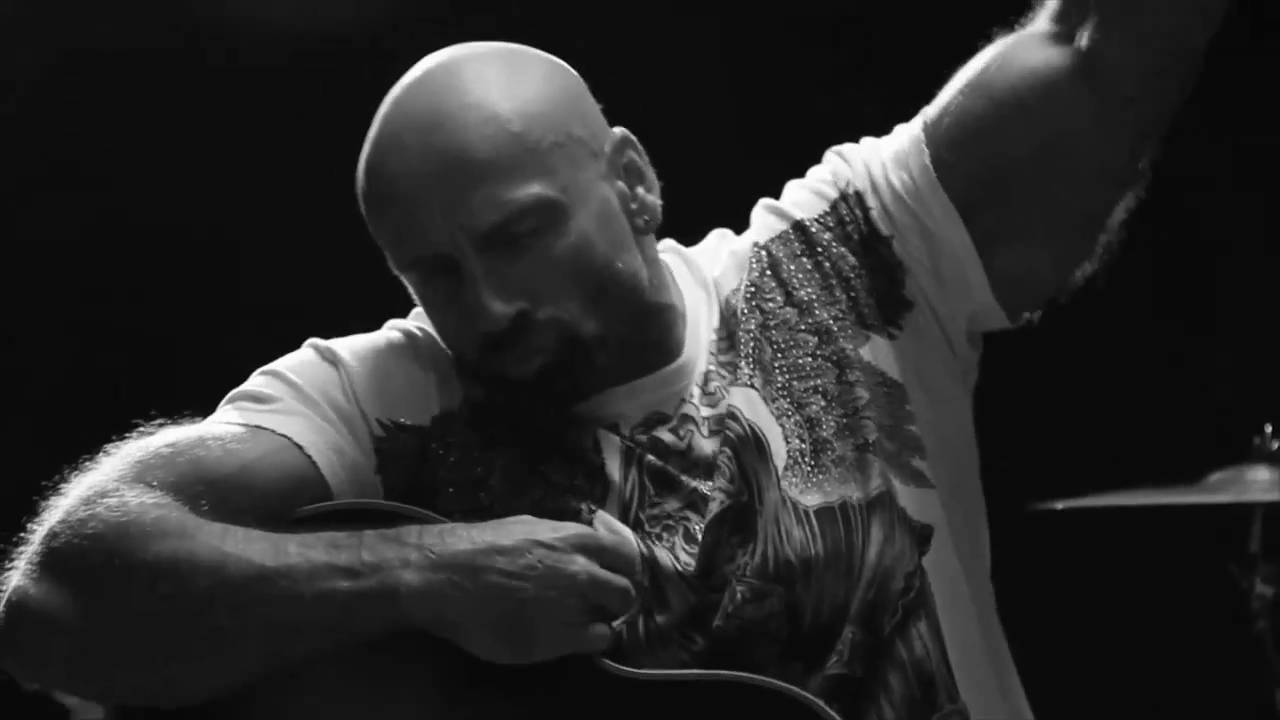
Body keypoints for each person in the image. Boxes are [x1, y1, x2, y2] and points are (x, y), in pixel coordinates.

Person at [0, 1, 1229, 718]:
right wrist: (423, 574)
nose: (488, 304)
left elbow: (1095, 49)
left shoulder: (851, 256)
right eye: (436, 273)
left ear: (631, 182)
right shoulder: (380, 398)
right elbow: (56, 597)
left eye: (517, 236)